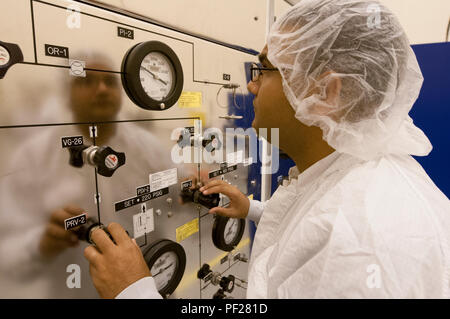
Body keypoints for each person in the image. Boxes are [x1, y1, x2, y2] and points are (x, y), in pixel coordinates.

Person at [84, 0, 450, 298]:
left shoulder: (357, 247)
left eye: (263, 69)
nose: (251, 85)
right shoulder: (358, 174)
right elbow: (313, 217)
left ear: (326, 92)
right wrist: (253, 209)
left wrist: (132, 292)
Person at [0, 53, 173, 298]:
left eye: (109, 82)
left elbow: (175, 198)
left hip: (153, 281)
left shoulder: (148, 147)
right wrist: (41, 242)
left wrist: (194, 182)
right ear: (67, 95)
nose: (101, 89)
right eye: (86, 81)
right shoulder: (34, 157)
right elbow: (6, 252)